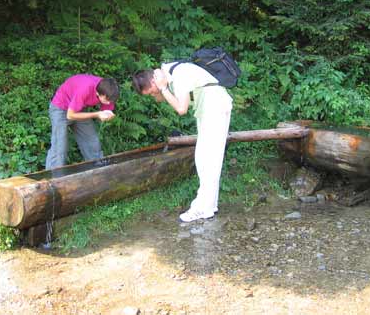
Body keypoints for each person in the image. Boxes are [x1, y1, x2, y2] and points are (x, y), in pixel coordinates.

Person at [132, 62, 232, 223]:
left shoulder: (179, 75)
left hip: (215, 108)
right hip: (209, 109)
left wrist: (163, 88)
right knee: (206, 159)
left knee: (207, 160)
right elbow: (160, 98)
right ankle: (209, 206)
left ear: (152, 82)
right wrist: (160, 88)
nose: (153, 96)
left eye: (150, 92)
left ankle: (201, 208)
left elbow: (181, 109)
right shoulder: (169, 74)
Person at [45, 74, 119, 170]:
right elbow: (70, 115)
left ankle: (98, 172)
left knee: (92, 141)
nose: (109, 103)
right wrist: (97, 114)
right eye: (107, 100)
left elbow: (106, 110)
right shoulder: (85, 88)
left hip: (78, 108)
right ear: (99, 94)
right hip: (60, 108)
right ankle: (51, 179)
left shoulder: (109, 90)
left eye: (111, 100)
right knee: (59, 148)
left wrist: (108, 115)